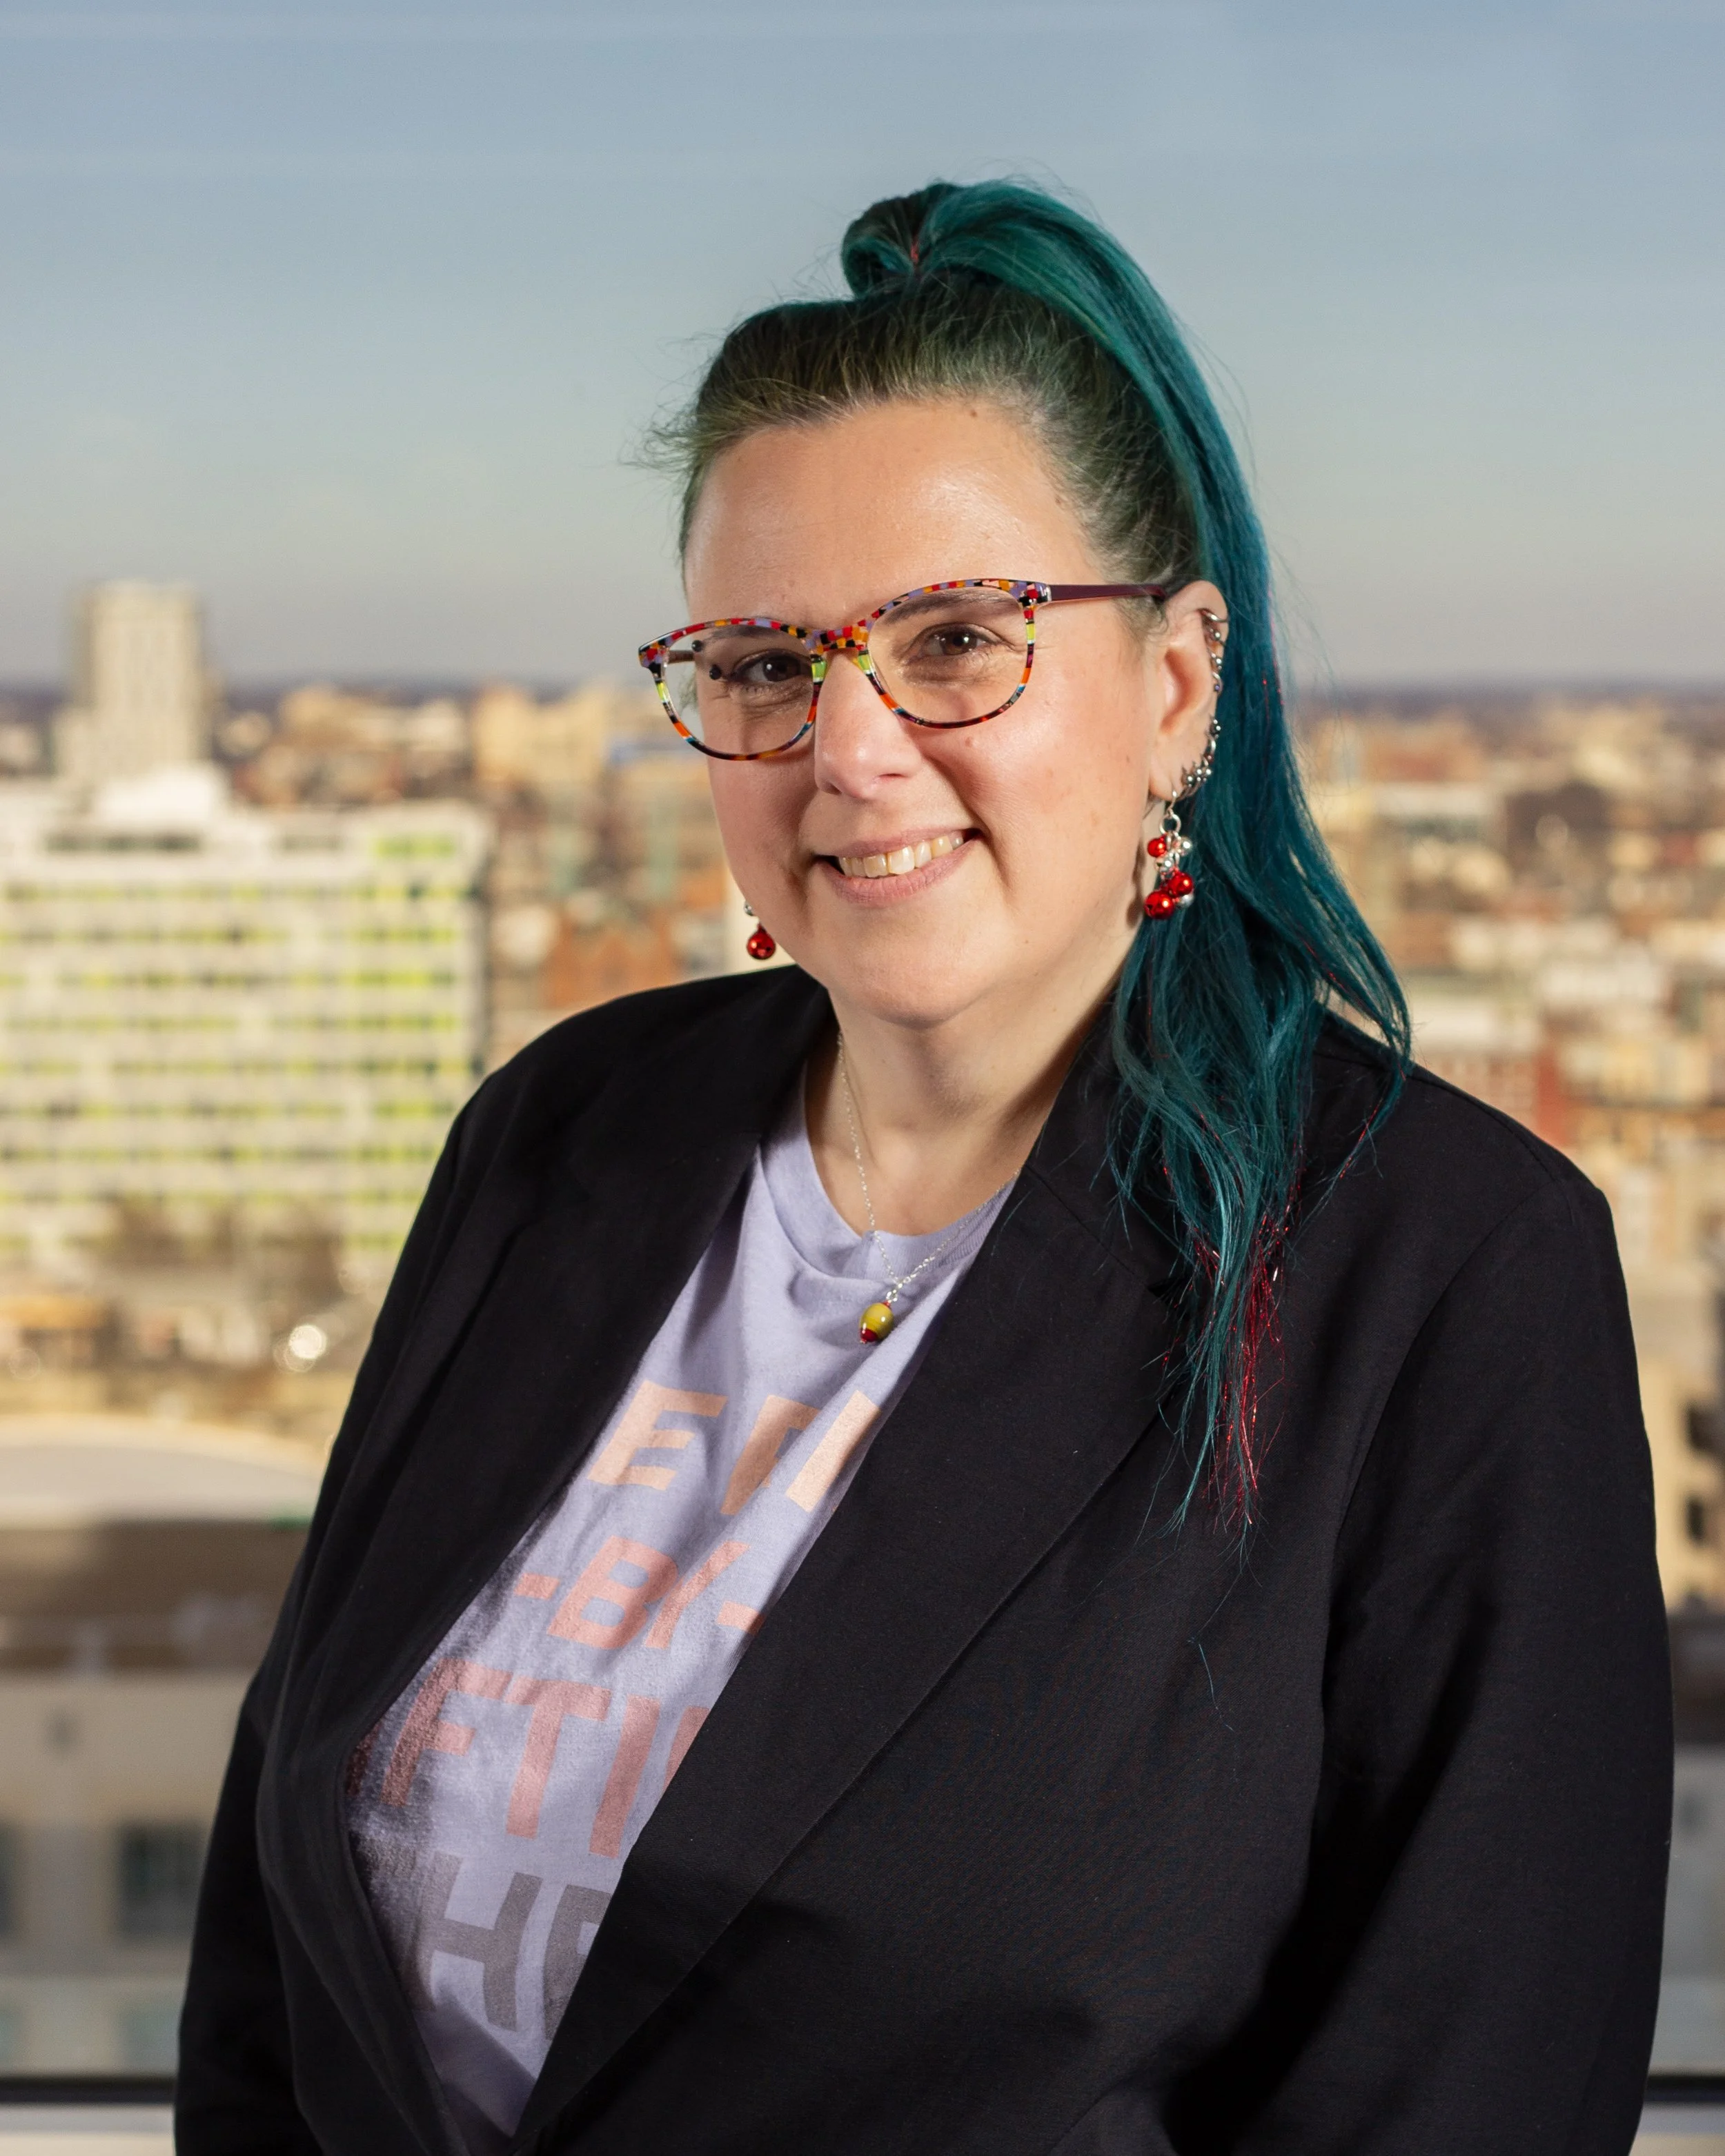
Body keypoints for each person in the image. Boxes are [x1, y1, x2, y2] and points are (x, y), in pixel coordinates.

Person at [176, 181, 1670, 2156]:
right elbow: (271, 1950)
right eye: (764, 664)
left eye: (958, 640)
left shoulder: (1443, 1272)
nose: (852, 753)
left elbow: (1462, 2093)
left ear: (1176, 686)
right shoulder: (560, 1135)